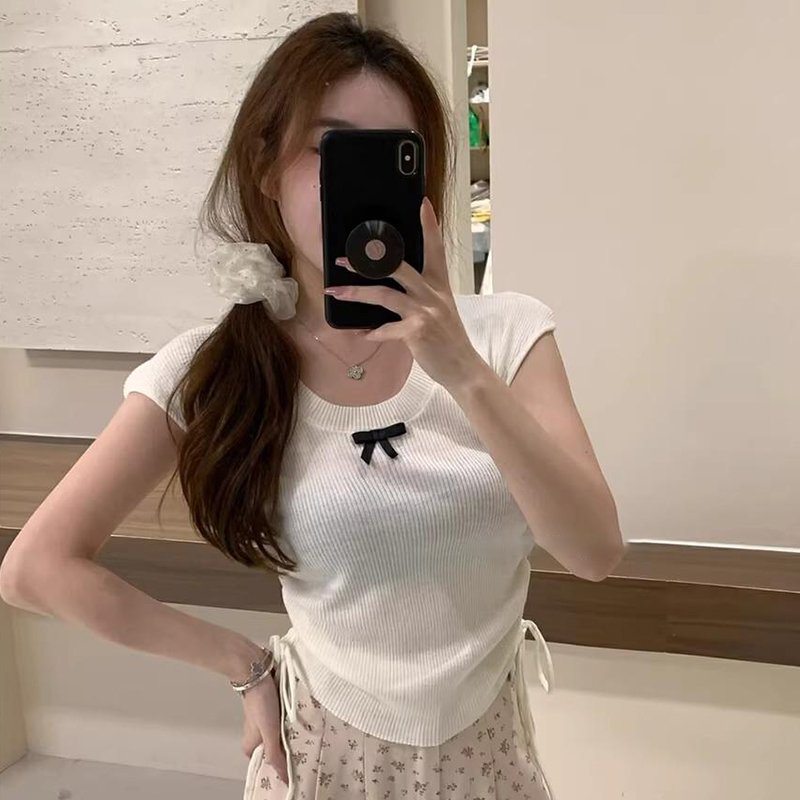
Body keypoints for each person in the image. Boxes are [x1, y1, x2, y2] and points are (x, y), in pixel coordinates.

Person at [1, 11, 625, 800]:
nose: (360, 183)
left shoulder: (508, 336)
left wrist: (462, 371)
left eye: (392, 156)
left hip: (487, 761)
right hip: (325, 760)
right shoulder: (215, 368)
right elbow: (35, 569)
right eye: (332, 150)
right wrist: (241, 664)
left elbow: (594, 552)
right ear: (267, 169)